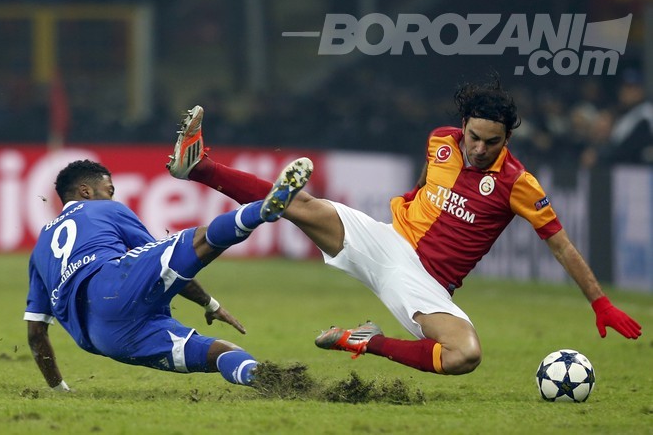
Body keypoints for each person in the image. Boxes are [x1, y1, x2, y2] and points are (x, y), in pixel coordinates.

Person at [166, 79, 641, 377]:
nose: (477, 149)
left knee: (464, 356)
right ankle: (198, 167)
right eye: (473, 137)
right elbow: (424, 184)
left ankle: (362, 340)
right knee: (298, 204)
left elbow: (561, 246)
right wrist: (408, 205)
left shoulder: (519, 183)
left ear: (507, 139)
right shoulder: (440, 140)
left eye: (490, 142)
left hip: (424, 281)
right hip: (385, 239)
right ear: (462, 126)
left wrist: (600, 302)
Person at [25, 143, 313, 391]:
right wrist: (210, 303)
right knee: (197, 238)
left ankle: (261, 377)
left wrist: (58, 388)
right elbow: (165, 265)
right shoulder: (107, 209)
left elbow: (36, 333)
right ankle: (260, 210)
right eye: (108, 190)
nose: (112, 197)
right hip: (113, 287)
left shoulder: (39, 251)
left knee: (216, 353)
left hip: (104, 339)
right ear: (86, 191)